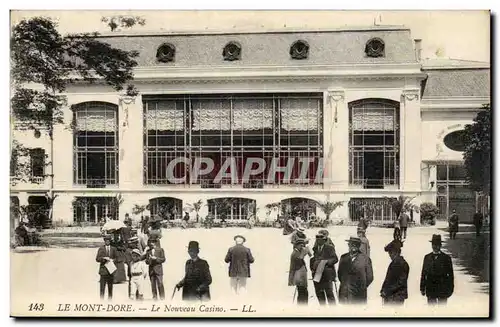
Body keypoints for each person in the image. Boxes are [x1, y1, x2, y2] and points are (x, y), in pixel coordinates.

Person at [337, 236, 374, 304]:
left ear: (359, 246)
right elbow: (340, 274)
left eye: (356, 244)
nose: (353, 246)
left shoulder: (365, 259)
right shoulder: (343, 257)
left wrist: (361, 286)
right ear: (349, 245)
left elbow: (370, 277)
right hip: (345, 294)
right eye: (352, 244)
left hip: (358, 295)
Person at [420, 234, 454, 305]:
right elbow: (423, 273)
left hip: (442, 288)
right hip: (430, 288)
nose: (435, 246)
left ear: (440, 245)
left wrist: (450, 289)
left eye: (437, 244)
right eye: (433, 244)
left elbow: (451, 275)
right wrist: (422, 287)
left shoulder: (446, 258)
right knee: (431, 311)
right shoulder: (427, 257)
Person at [310, 232, 338, 305]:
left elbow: (335, 259)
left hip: (327, 275)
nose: (318, 241)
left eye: (320, 240)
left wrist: (326, 262)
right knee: (319, 293)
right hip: (317, 275)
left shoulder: (329, 248)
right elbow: (313, 259)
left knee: (329, 294)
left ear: (324, 240)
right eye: (317, 240)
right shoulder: (315, 249)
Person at [380, 240, 409, 305]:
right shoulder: (394, 263)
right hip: (391, 296)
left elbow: (401, 283)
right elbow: (387, 279)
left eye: (391, 253)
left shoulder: (402, 264)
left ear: (396, 252)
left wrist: (386, 291)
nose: (390, 255)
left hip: (396, 297)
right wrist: (383, 289)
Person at [95, 235, 117, 300]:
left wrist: (113, 260)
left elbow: (117, 258)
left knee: (110, 287)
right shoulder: (101, 249)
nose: (107, 242)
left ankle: (110, 301)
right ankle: (101, 300)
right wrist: (103, 259)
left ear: (110, 241)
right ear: (104, 241)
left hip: (110, 270)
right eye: (106, 240)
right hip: (103, 270)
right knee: (102, 288)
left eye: (109, 240)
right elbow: (97, 259)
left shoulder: (113, 249)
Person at [288, 239, 309, 305]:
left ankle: (302, 305)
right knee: (302, 292)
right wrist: (304, 253)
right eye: (300, 245)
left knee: (303, 292)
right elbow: (299, 261)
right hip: (298, 276)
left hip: (300, 276)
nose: (302, 247)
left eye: (303, 245)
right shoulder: (295, 253)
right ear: (296, 246)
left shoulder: (297, 252)